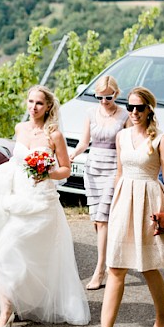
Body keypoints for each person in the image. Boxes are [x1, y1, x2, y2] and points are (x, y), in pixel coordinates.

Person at [0, 85, 90, 327]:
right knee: (3, 254)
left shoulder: (54, 135)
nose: (33, 107)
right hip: (17, 198)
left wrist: (47, 172)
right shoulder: (20, 129)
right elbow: (16, 162)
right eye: (31, 101)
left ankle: (24, 304)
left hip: (42, 202)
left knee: (32, 256)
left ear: (48, 107)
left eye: (39, 103)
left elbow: (65, 169)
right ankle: (6, 312)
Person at [90, 87, 164, 327]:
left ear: (149, 110)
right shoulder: (121, 136)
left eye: (139, 108)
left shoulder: (161, 140)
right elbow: (120, 174)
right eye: (130, 107)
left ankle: (162, 316)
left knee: (147, 266)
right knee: (116, 268)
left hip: (149, 200)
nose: (134, 112)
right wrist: (109, 207)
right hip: (124, 202)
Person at [70, 75, 130, 290]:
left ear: (116, 94)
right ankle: (113, 255)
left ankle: (100, 270)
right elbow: (84, 142)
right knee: (97, 220)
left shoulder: (124, 115)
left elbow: (128, 143)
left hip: (114, 167)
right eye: (100, 97)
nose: (104, 101)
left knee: (103, 220)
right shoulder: (90, 113)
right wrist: (72, 155)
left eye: (108, 97)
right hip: (93, 168)